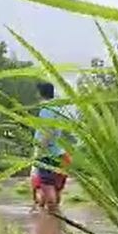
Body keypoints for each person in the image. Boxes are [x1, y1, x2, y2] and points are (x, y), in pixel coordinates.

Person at [31, 82, 69, 210]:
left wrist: (39, 153)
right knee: (55, 188)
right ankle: (56, 222)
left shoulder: (46, 110)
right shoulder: (57, 109)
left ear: (40, 93)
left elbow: (46, 133)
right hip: (58, 153)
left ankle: (52, 219)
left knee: (47, 187)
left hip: (47, 154)